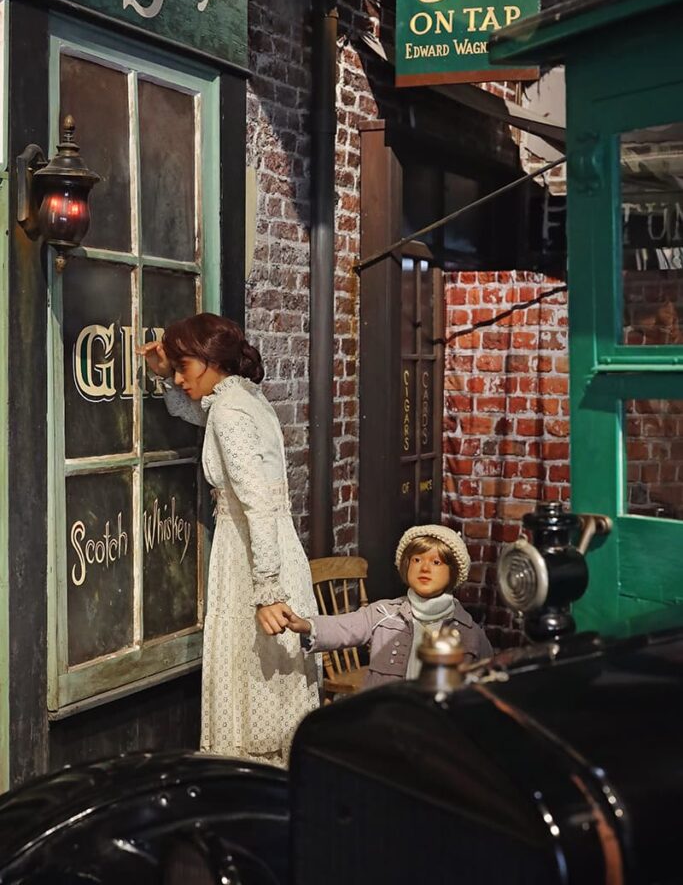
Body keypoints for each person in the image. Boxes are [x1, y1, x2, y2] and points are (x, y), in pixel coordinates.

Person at [138, 313, 319, 767]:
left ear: (210, 358)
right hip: (271, 545)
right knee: (272, 683)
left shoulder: (230, 411)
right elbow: (194, 412)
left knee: (254, 679)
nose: (180, 378)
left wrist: (267, 591)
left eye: (184, 367)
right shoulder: (242, 396)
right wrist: (165, 376)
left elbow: (255, 502)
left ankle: (250, 786)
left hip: (252, 555)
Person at [266, 524, 493, 688]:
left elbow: (487, 681)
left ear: (453, 573)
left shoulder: (469, 632)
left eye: (436, 562)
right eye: (417, 560)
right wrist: (306, 625)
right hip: (386, 717)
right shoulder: (385, 613)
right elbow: (346, 626)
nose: (425, 568)